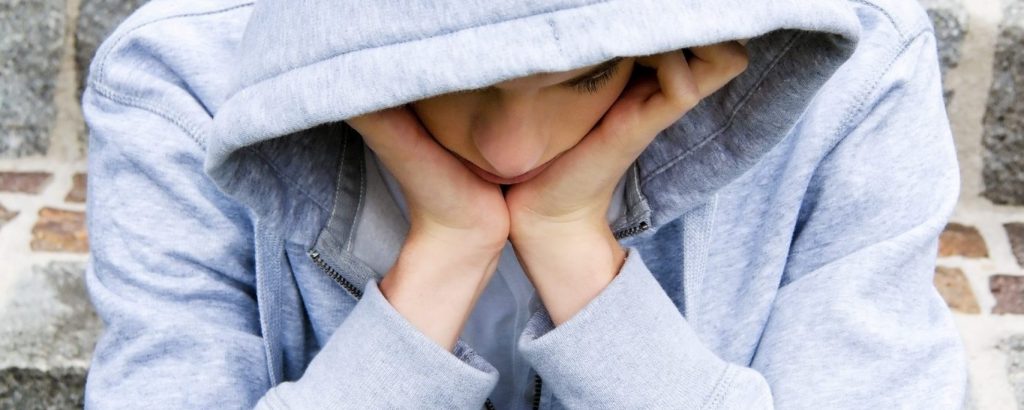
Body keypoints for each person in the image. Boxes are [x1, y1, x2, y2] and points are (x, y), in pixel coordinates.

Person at [81, 0, 968, 408]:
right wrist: (437, 268)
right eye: (453, 78)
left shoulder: (851, 86)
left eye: (584, 75)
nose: (512, 149)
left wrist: (575, 254)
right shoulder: (184, 88)